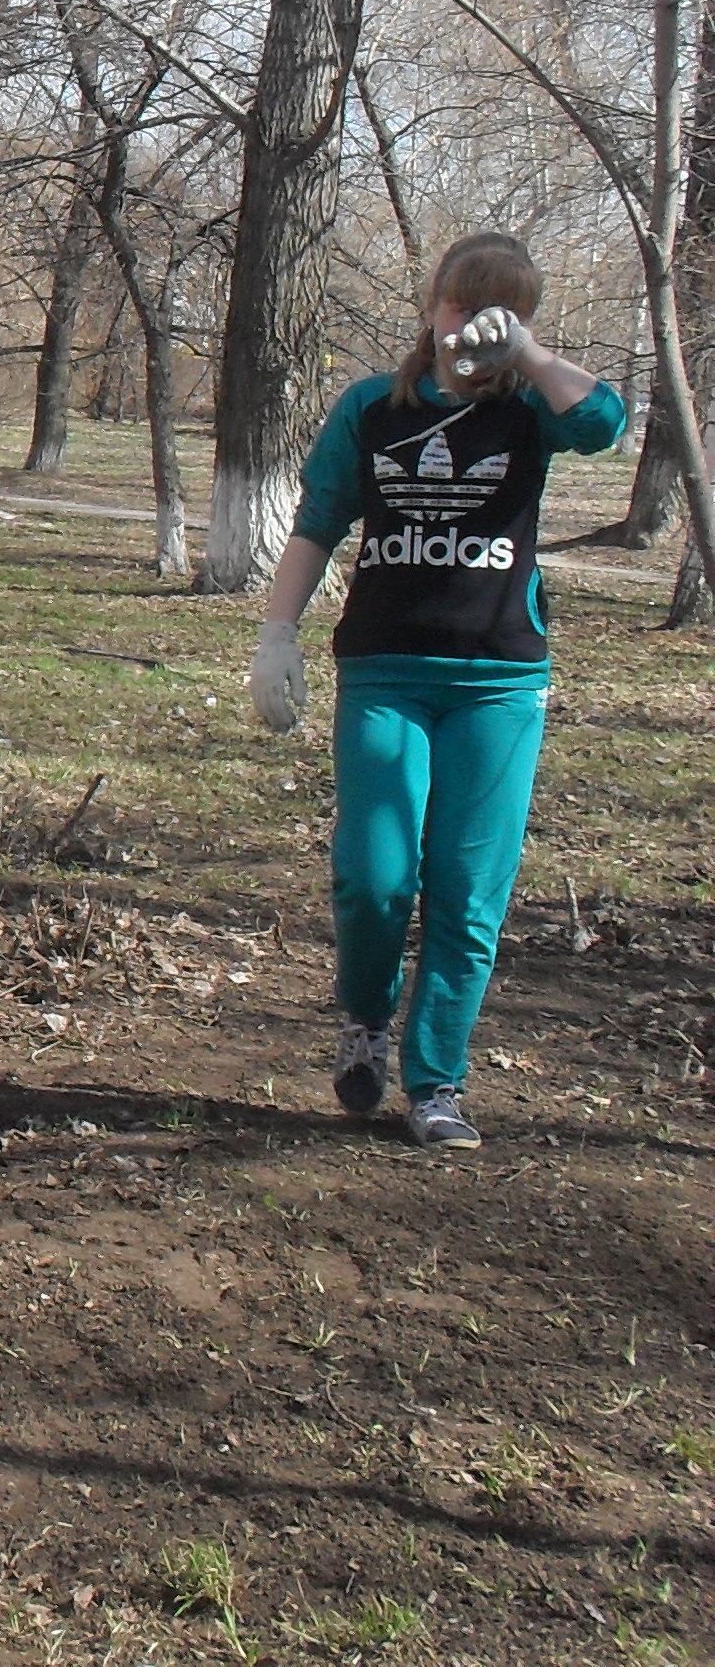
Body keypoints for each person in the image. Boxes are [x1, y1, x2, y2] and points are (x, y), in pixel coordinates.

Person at [249, 233, 625, 1152]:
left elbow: (608, 421)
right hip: (385, 671)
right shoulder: (375, 407)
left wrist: (527, 356)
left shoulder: (534, 410)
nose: (471, 327)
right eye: (461, 306)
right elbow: (319, 521)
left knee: (468, 891)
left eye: (499, 311)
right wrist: (275, 633)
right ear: (431, 305)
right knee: (377, 877)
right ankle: (364, 1022)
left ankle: (437, 1082)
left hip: (499, 682)